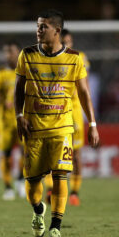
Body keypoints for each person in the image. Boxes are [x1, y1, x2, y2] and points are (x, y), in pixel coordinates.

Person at [14, 9, 99, 237]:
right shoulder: (27, 54)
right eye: (37, 26)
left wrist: (92, 123)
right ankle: (38, 210)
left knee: (61, 175)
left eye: (43, 27)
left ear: (57, 31)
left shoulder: (74, 58)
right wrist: (18, 116)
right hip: (34, 128)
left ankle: (56, 226)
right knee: (32, 183)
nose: (38, 30)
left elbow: (84, 93)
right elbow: (18, 89)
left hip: (62, 127)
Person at [44, 28, 91, 206]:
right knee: (50, 151)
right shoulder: (49, 59)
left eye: (69, 41)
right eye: (64, 42)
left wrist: (90, 117)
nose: (67, 45)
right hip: (54, 110)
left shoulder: (79, 58)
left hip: (74, 112)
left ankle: (75, 192)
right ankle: (50, 189)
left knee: (76, 153)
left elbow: (85, 89)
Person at [0, 41, 26, 200]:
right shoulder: (0, 74)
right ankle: (7, 187)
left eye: (11, 51)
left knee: (25, 152)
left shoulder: (25, 72)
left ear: (18, 53)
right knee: (5, 154)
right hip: (5, 122)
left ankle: (20, 180)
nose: (8, 55)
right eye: (6, 52)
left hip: (22, 119)